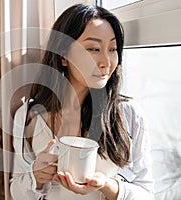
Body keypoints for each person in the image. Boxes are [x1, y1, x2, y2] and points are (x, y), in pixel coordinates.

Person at [10, 4, 154, 200]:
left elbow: (147, 193)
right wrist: (35, 177)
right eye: (94, 48)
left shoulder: (127, 114)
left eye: (112, 49)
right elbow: (16, 191)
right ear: (63, 56)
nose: (106, 61)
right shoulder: (29, 116)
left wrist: (107, 186)